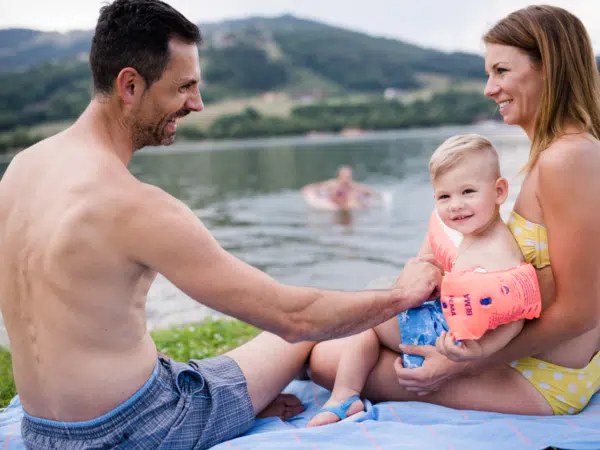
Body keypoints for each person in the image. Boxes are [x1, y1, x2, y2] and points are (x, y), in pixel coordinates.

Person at [0, 0, 443, 448]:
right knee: (292, 343)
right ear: (130, 85)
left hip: (42, 431)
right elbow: (294, 317)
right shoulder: (134, 205)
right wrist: (402, 296)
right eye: (183, 87)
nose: (197, 103)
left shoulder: (21, 169)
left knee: (207, 367)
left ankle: (245, 401)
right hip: (137, 429)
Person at [309, 4, 600, 417]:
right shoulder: (565, 153)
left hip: (541, 375)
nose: (489, 89)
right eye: (488, 74)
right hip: (530, 353)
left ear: (547, 68)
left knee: (325, 359)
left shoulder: (568, 159)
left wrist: (451, 367)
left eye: (501, 71)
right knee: (339, 336)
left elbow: (581, 313)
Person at [307, 134, 530, 426]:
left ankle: (344, 397)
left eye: (468, 192)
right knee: (375, 301)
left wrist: (479, 351)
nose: (455, 205)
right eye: (444, 196)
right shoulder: (465, 233)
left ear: (499, 191)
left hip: (451, 342)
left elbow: (516, 316)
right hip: (444, 326)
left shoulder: (500, 252)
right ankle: (341, 389)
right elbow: (419, 272)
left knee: (371, 314)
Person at [302, 165, 380, 210]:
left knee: (353, 197)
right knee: (346, 197)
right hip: (336, 202)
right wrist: (308, 188)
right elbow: (319, 186)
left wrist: (376, 195)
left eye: (349, 176)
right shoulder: (333, 183)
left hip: (349, 204)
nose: (347, 178)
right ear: (340, 175)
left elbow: (366, 190)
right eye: (345, 176)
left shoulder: (352, 185)